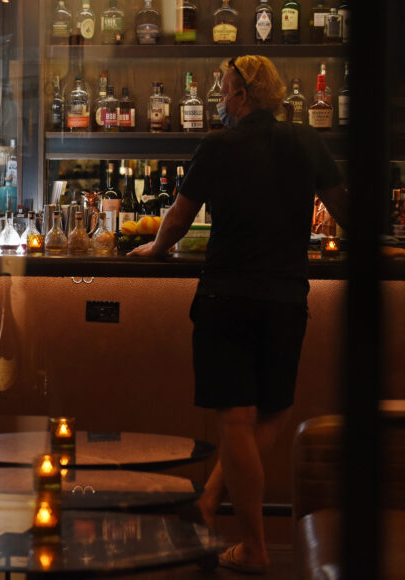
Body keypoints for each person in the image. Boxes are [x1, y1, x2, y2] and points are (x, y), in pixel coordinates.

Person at [130, 55, 348, 574]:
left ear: (243, 96)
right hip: (286, 298)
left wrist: (156, 250)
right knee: (270, 413)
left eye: (225, 92)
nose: (221, 102)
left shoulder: (218, 145)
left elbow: (179, 217)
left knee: (237, 418)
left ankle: (252, 547)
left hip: (227, 296)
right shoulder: (307, 142)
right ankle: (210, 500)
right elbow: (345, 209)